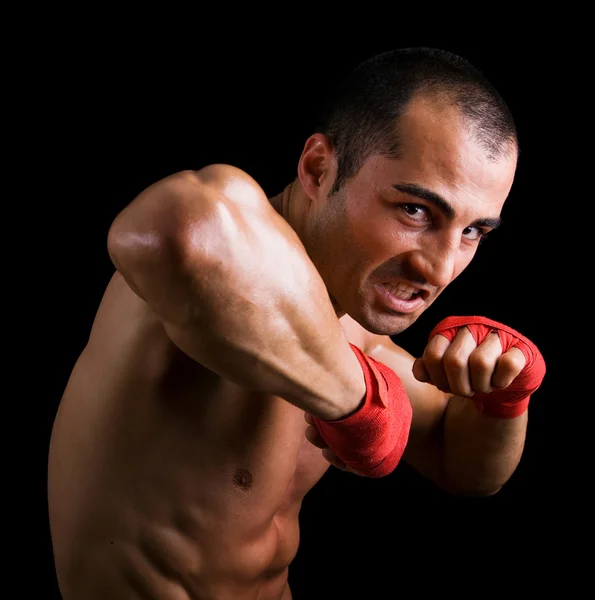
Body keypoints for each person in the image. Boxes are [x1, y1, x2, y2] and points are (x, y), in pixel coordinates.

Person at [47, 47, 546, 599]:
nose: (441, 267)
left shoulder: (352, 329)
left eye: (473, 231)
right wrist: (360, 400)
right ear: (316, 168)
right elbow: (169, 229)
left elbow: (464, 464)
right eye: (415, 211)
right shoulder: (213, 259)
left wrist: (505, 396)